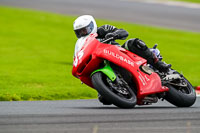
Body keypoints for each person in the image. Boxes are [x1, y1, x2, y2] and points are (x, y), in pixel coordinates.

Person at [73, 15, 171, 104]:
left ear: (92, 26)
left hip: (122, 54)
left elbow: (124, 32)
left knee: (133, 43)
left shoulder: (103, 29)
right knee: (104, 99)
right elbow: (77, 57)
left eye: (84, 30)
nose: (83, 33)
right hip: (104, 62)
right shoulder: (80, 44)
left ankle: (158, 64)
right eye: (79, 32)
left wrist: (114, 35)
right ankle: (118, 88)